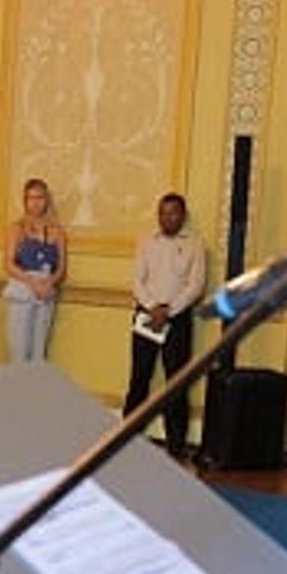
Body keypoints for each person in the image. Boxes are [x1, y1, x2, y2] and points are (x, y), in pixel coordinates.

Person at [125, 193, 207, 457]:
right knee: (140, 377)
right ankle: (127, 437)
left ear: (182, 215)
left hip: (178, 319)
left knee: (176, 382)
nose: (167, 218)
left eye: (172, 213)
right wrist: (153, 307)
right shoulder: (147, 242)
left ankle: (176, 443)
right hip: (147, 315)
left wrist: (170, 310)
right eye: (162, 213)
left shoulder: (195, 244)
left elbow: (196, 286)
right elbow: (137, 280)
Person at [2, 177, 68, 362]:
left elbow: (61, 267)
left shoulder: (57, 232)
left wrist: (50, 282)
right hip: (22, 288)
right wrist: (32, 282)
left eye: (40, 197)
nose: (36, 202)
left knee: (39, 352)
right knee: (19, 351)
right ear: (25, 201)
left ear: (47, 200)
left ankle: (35, 389)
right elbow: (8, 264)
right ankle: (17, 390)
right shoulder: (17, 228)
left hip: (46, 291)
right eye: (31, 198)